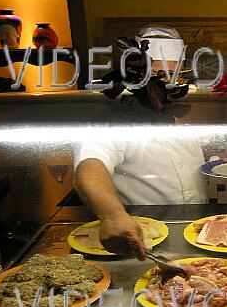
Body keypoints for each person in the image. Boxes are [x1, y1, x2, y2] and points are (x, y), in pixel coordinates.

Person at [73, 26, 207, 259]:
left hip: (195, 230)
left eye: (173, 75)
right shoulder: (117, 118)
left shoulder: (183, 109)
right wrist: (112, 216)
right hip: (139, 235)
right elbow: (90, 166)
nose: (165, 84)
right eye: (156, 75)